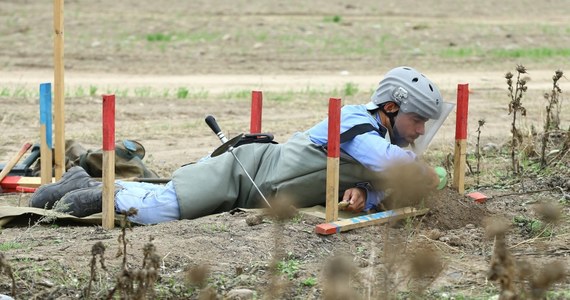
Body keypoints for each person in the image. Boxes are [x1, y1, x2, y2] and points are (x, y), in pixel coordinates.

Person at [29, 66, 446, 225]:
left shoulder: (385, 140)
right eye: (417, 120)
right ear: (391, 107)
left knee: (163, 199)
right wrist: (422, 170)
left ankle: (81, 182)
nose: (419, 129)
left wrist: (366, 193)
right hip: (246, 172)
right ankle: (81, 193)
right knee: (162, 209)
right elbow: (384, 160)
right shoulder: (355, 122)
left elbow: (378, 178)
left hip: (259, 189)